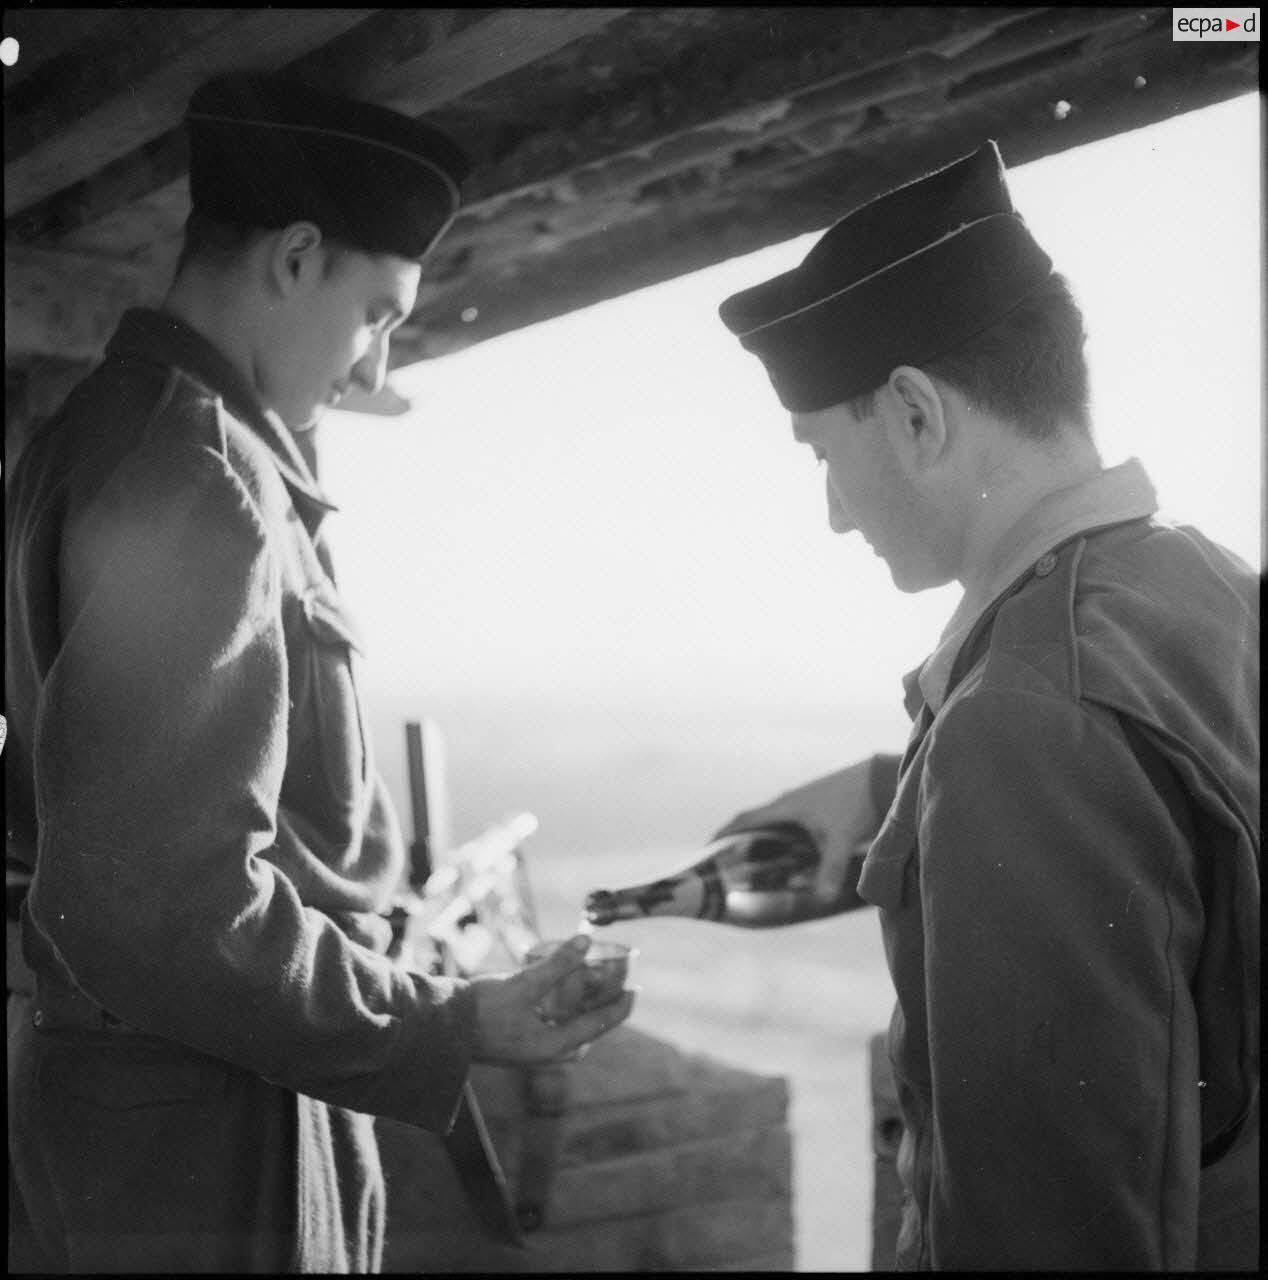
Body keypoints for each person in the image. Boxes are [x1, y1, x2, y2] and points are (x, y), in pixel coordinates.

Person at [5, 72, 633, 1273]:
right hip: (211, 1124)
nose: (369, 364)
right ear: (296, 258)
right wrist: (453, 1018)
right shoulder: (202, 473)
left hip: (136, 1102)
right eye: (379, 312)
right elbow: (169, 901)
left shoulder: (89, 434)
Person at [713, 140, 1258, 1270]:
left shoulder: (1020, 722)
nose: (831, 511)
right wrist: (894, 805)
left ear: (914, 415)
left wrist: (970, 786)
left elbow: (1047, 1232)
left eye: (824, 450)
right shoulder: (1208, 586)